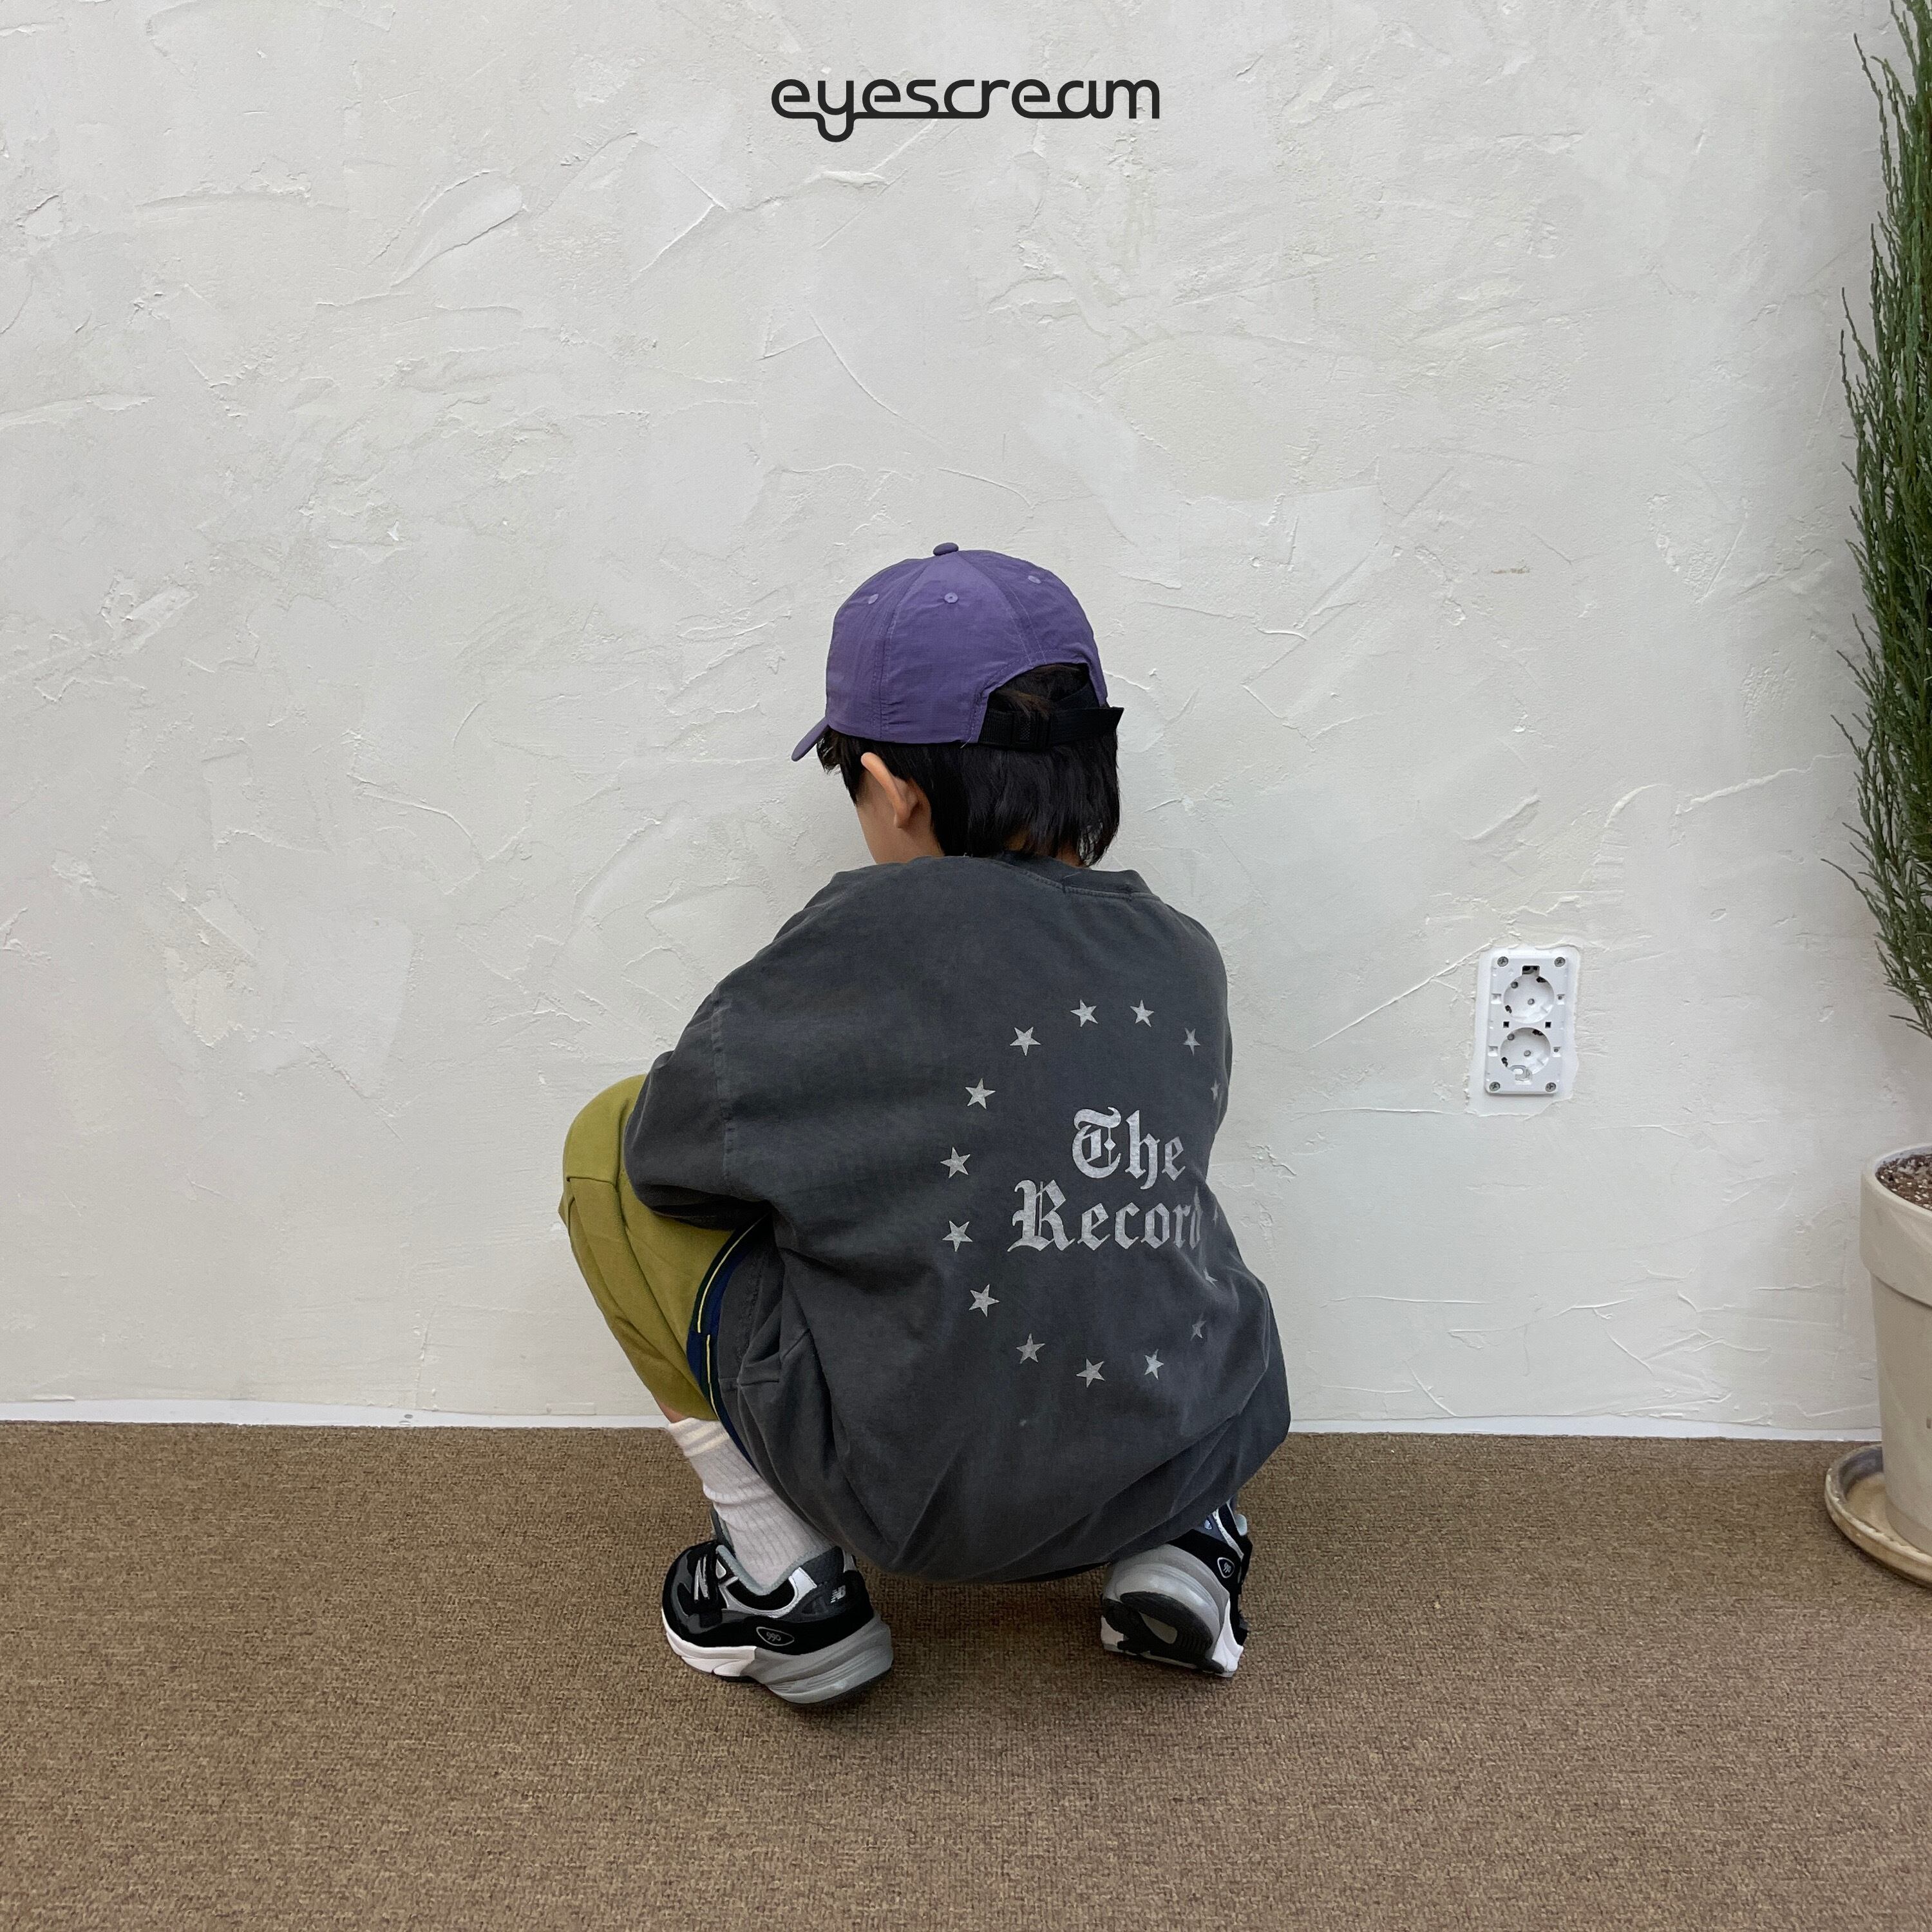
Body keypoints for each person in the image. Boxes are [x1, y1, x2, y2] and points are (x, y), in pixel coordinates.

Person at [558, 543, 1290, 1707]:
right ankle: (1187, 1536)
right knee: (1148, 1202)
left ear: (890, 786)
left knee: (605, 1145)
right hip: (1158, 1448)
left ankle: (782, 1584)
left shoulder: (848, 947)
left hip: (909, 1492)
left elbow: (670, 1157)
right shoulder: (1181, 953)